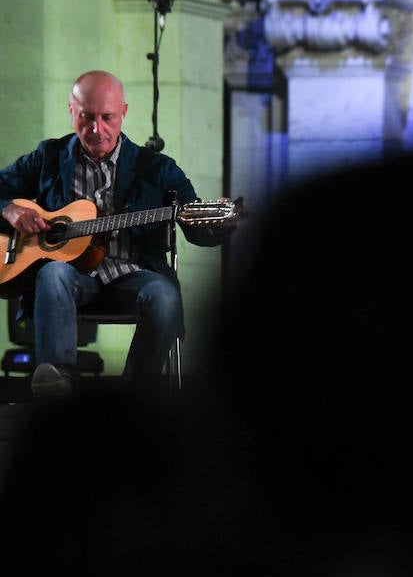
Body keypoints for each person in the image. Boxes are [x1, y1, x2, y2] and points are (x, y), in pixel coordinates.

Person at [0, 69, 237, 400]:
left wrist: (218, 225)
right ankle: (58, 385)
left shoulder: (159, 169)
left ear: (123, 112)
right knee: (52, 273)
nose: (97, 129)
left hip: (134, 276)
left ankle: (132, 402)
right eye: (86, 117)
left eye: (107, 118)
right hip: (72, 279)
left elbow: (198, 231)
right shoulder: (48, 158)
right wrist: (9, 209)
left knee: (166, 296)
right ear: (71, 110)